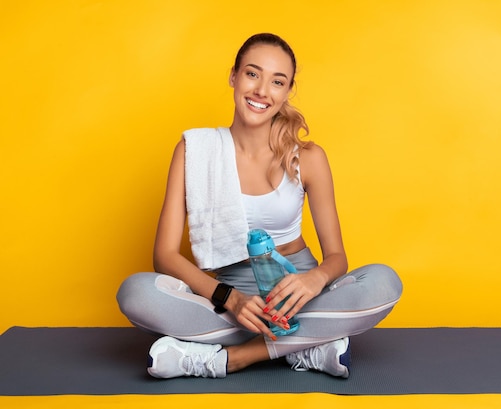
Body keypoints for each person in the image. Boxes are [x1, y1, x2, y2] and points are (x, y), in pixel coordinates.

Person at [116, 33, 403, 379]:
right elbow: (164, 256)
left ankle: (230, 358)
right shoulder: (194, 151)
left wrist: (314, 281)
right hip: (229, 300)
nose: (262, 91)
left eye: (277, 81)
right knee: (135, 293)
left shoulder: (308, 158)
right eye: (253, 74)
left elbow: (337, 258)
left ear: (287, 91)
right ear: (234, 77)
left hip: (300, 296)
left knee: (384, 282)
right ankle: (307, 345)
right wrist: (232, 299)